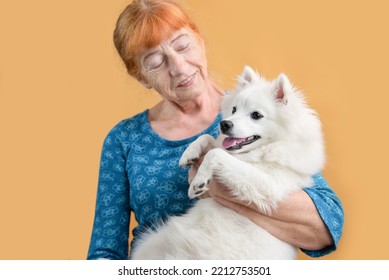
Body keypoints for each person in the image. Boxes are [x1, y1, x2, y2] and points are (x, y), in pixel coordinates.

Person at [87, 0, 344, 260]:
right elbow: (105, 252)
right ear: (141, 77)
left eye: (183, 46)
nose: (179, 67)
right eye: (155, 61)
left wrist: (224, 190)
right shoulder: (125, 140)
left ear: (200, 40)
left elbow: (325, 226)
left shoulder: (260, 116)